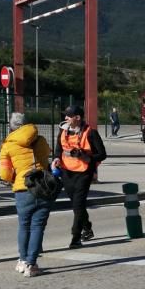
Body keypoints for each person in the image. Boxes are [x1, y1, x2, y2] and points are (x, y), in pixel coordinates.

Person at [0, 113, 53, 277]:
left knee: (24, 225)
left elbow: (4, 174)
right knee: (38, 226)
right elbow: (46, 156)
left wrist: (13, 177)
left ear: (12, 127)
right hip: (42, 187)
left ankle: (22, 260)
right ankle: (32, 264)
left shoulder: (7, 145)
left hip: (22, 188)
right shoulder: (41, 140)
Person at [53, 105, 107, 249]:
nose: (65, 118)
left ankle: (76, 237)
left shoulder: (91, 133)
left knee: (78, 204)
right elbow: (59, 149)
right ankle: (87, 227)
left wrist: (86, 156)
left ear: (77, 118)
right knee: (77, 205)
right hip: (66, 172)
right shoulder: (63, 130)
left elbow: (102, 154)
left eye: (68, 116)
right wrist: (56, 159)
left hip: (83, 173)